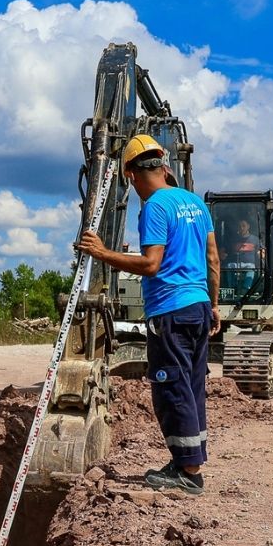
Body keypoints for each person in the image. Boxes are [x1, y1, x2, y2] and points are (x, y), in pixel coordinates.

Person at [76, 134, 220, 495]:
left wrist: (103, 253)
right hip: (199, 307)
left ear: (130, 175)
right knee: (192, 386)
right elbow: (213, 259)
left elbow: (152, 264)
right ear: (163, 166)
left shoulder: (155, 206)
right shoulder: (195, 204)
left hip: (170, 311)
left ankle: (189, 472)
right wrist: (214, 305)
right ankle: (188, 459)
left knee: (172, 388)